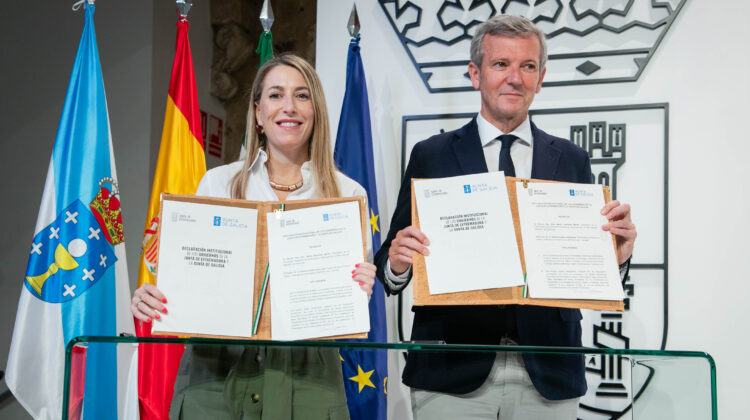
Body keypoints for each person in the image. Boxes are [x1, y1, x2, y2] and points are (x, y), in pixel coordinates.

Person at [374, 15, 637, 419]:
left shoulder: (572, 159)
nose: (514, 78)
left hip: (549, 370)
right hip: (451, 368)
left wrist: (613, 258)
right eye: (501, 64)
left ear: (540, 78)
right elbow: (389, 267)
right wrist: (397, 264)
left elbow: (587, 270)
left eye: (527, 66)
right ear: (475, 73)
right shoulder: (432, 155)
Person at [131, 53, 376, 419]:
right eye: (276, 95)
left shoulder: (347, 193)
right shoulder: (218, 183)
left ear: (316, 111)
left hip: (309, 376)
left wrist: (361, 284)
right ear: (258, 113)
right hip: (214, 373)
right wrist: (155, 295)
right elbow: (189, 279)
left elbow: (349, 295)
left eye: (302, 95)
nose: (289, 106)